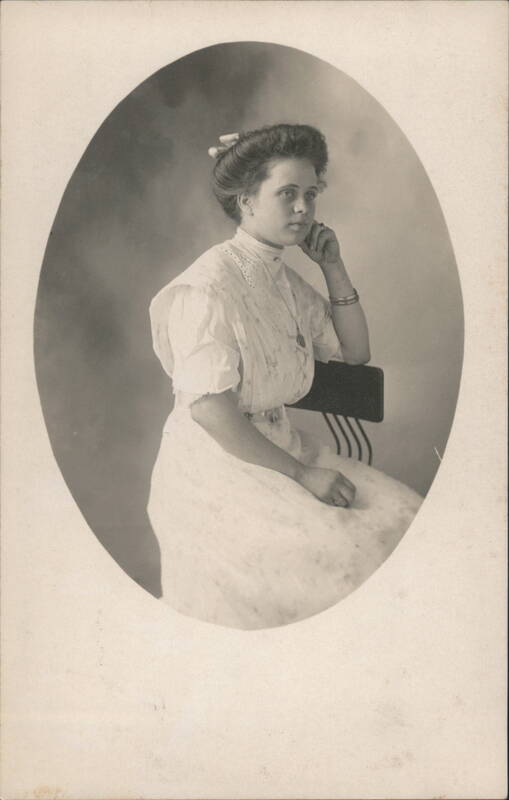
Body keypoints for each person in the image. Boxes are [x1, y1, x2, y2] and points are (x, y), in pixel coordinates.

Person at [147, 123, 421, 630]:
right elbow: (208, 409)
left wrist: (332, 268)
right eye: (287, 194)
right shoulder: (207, 288)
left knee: (408, 524)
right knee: (346, 569)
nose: (304, 209)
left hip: (283, 449)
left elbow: (355, 353)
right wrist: (303, 476)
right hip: (216, 474)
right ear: (246, 200)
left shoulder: (281, 278)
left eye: (310, 195)